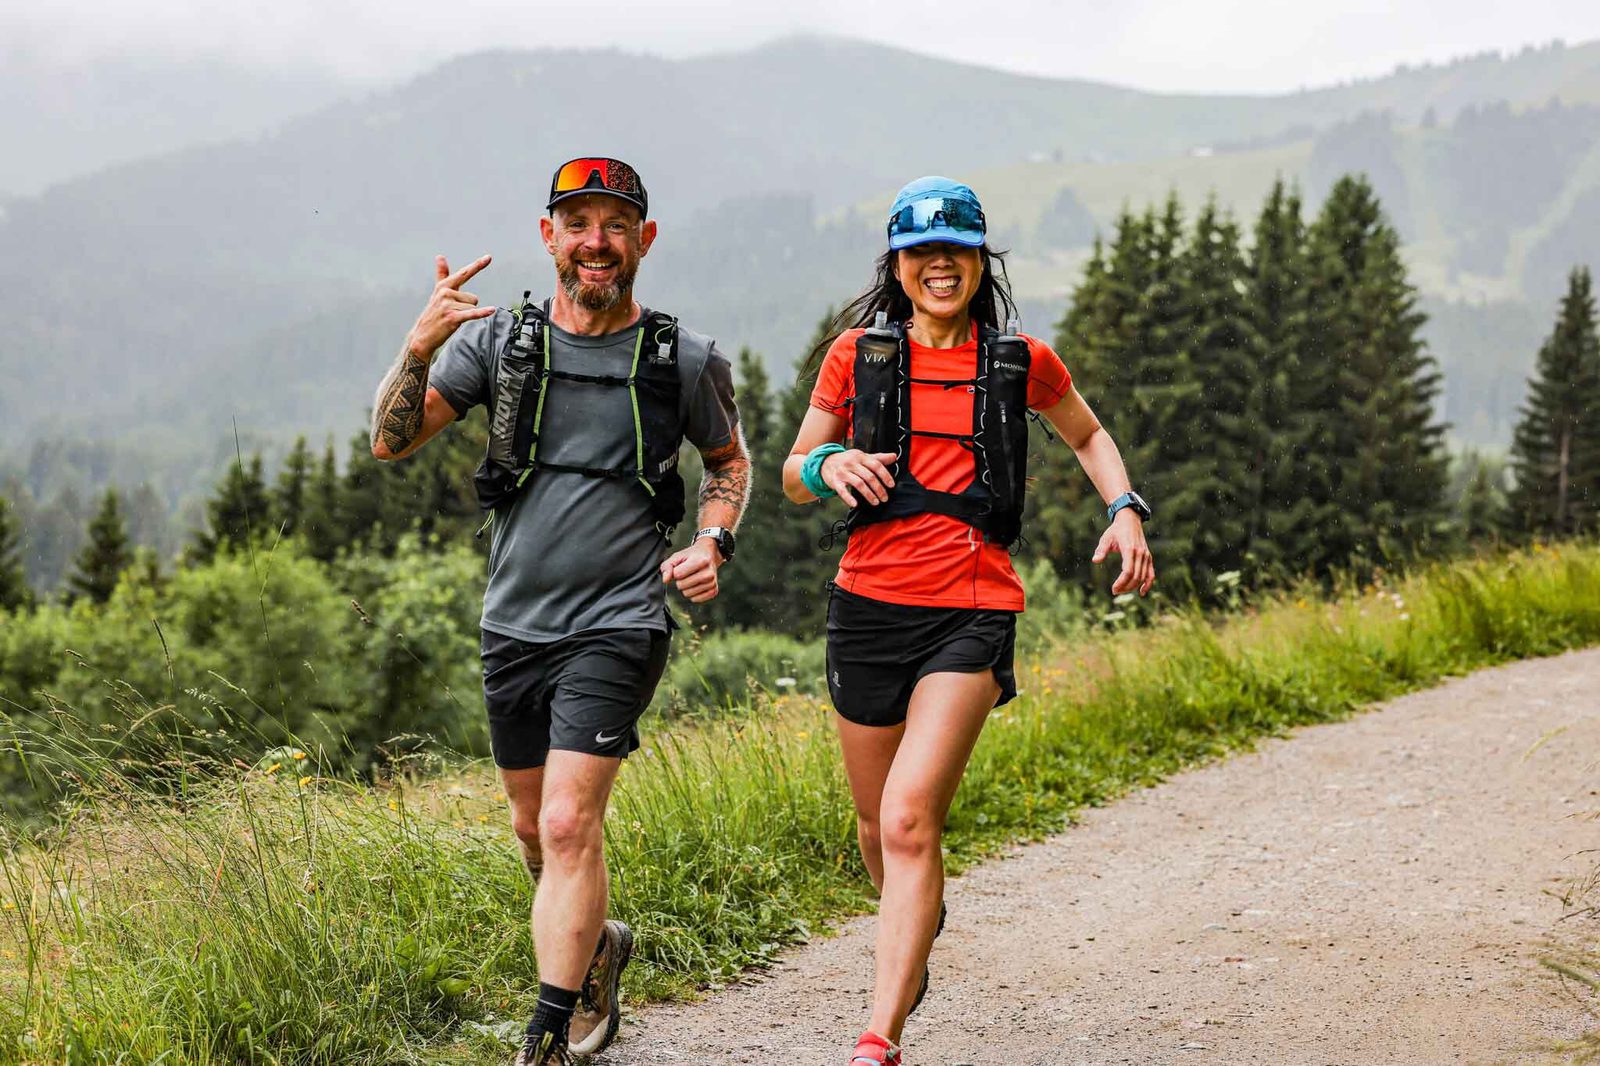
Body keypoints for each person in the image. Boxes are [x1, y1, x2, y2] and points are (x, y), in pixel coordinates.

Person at [370, 156, 749, 1065]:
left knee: (573, 823)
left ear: (644, 241)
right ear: (549, 236)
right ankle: (596, 953)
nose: (596, 242)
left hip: (621, 620)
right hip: (514, 620)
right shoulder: (499, 343)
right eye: (577, 223)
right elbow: (390, 441)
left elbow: (728, 464)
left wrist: (712, 542)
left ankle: (545, 1030)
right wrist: (417, 346)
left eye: (616, 225)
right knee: (533, 828)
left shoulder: (681, 358)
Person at [782, 176, 1154, 1065]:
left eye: (956, 250)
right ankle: (915, 925)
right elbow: (795, 471)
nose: (939, 266)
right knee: (875, 829)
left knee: (911, 820)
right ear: (899, 265)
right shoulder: (857, 358)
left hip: (972, 611)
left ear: (980, 262)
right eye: (922, 251)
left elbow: (1088, 435)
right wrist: (830, 463)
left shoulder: (1020, 360)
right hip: (866, 608)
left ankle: (880, 1035)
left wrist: (1125, 508)